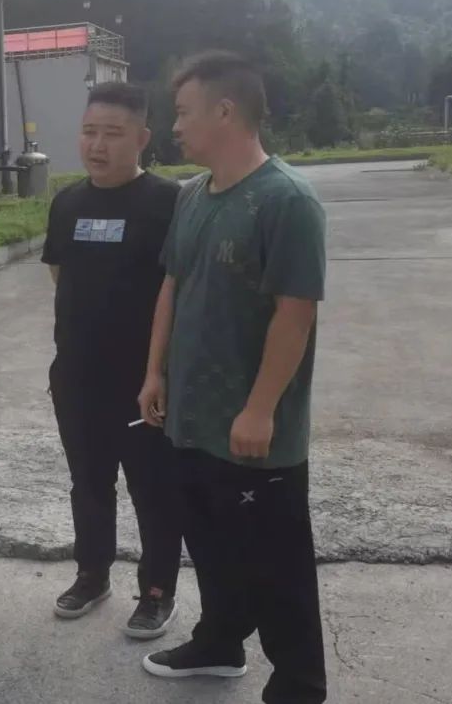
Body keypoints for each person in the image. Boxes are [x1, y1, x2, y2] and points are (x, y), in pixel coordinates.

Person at [138, 51, 328, 703]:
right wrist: (155, 371)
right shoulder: (193, 195)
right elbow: (173, 285)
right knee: (212, 544)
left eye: (183, 113)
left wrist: (261, 407)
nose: (175, 127)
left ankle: (299, 684)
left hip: (255, 428)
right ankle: (220, 642)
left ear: (225, 111)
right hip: (192, 415)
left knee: (277, 565)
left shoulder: (287, 200)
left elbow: (295, 313)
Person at [42, 82, 183, 639]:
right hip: (77, 377)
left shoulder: (169, 203)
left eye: (113, 134)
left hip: (143, 382)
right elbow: (61, 276)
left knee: (153, 489)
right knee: (88, 482)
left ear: (142, 138)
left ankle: (157, 591)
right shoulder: (67, 204)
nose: (97, 145)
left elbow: (179, 290)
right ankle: (92, 573)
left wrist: (160, 371)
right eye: (89, 132)